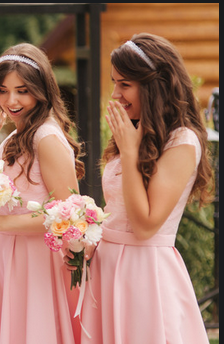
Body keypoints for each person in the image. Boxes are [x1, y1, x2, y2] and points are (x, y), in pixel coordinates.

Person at [75, 32, 212, 343]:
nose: (115, 94)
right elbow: (118, 210)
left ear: (155, 86)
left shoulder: (182, 141)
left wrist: (131, 152)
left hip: (144, 275)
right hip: (107, 268)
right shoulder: (134, 131)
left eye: (124, 84)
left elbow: (146, 224)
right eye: (114, 83)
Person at [0, 43, 85, 344]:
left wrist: (0, 223)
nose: (11, 100)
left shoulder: (45, 137)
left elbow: (69, 213)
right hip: (5, 255)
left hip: (34, 260)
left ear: (40, 89)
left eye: (22, 90)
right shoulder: (15, 136)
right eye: (3, 91)